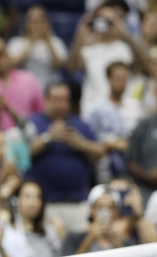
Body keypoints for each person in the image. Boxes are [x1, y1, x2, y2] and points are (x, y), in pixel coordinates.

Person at [24, 82, 105, 233]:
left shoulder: (79, 124)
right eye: (56, 99)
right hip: (45, 205)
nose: (60, 104)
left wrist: (79, 143)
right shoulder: (34, 123)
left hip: (78, 203)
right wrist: (48, 137)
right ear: (46, 100)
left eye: (64, 99)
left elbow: (100, 151)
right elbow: (22, 154)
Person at [85, 62, 143, 183]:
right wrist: (111, 144)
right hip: (103, 169)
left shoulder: (136, 107)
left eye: (124, 78)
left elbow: (141, 139)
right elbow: (89, 139)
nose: (121, 82)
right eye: (117, 78)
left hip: (132, 167)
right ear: (109, 79)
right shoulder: (95, 109)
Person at [6, 5, 68, 89]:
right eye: (33, 21)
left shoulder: (56, 42)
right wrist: (31, 43)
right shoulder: (17, 42)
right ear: (27, 24)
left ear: (46, 23)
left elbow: (59, 65)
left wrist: (48, 41)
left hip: (50, 87)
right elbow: (12, 64)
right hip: (25, 88)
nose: (37, 25)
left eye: (40, 21)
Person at [11, 181, 64, 257]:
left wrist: (62, 235)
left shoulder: (50, 229)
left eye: (38, 197)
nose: (33, 202)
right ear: (16, 201)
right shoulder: (9, 230)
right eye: (27, 196)